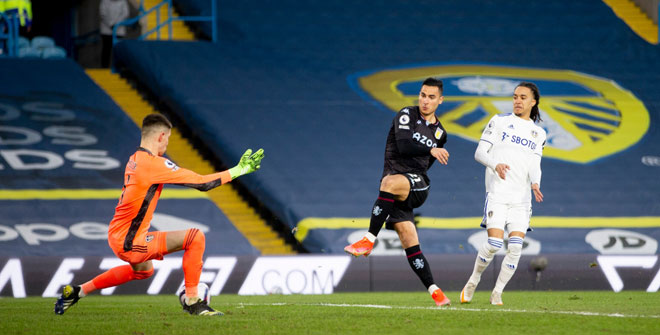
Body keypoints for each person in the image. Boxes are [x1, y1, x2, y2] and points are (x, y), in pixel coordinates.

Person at [54, 114, 264, 316]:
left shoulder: (134, 159)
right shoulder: (153, 164)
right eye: (168, 139)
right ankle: (193, 301)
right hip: (131, 240)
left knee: (144, 271)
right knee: (195, 237)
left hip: (118, 235)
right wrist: (239, 170)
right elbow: (203, 183)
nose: (167, 145)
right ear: (161, 136)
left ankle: (78, 291)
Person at [344, 77, 451, 306]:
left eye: (431, 97)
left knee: (389, 183)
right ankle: (436, 291)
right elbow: (404, 146)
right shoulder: (407, 114)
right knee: (409, 241)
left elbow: (424, 165)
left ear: (440, 100)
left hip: (417, 184)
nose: (425, 101)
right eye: (423, 95)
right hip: (397, 186)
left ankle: (368, 240)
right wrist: (431, 150)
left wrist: (430, 153)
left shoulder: (441, 133)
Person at [460, 82, 546, 306]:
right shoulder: (499, 121)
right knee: (495, 244)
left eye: (523, 97)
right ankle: (473, 280)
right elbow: (479, 153)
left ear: (533, 102)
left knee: (516, 246)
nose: (517, 100)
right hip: (498, 193)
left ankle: (497, 292)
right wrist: (495, 164)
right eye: (515, 96)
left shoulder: (539, 133)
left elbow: (535, 163)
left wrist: (536, 183)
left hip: (521, 199)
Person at [100, 0, 129, 68]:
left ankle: (118, 67)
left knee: (119, 50)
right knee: (106, 49)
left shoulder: (123, 2)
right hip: (106, 31)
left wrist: (116, 24)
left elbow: (125, 14)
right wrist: (111, 24)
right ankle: (104, 67)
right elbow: (102, 14)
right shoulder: (104, 1)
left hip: (119, 31)